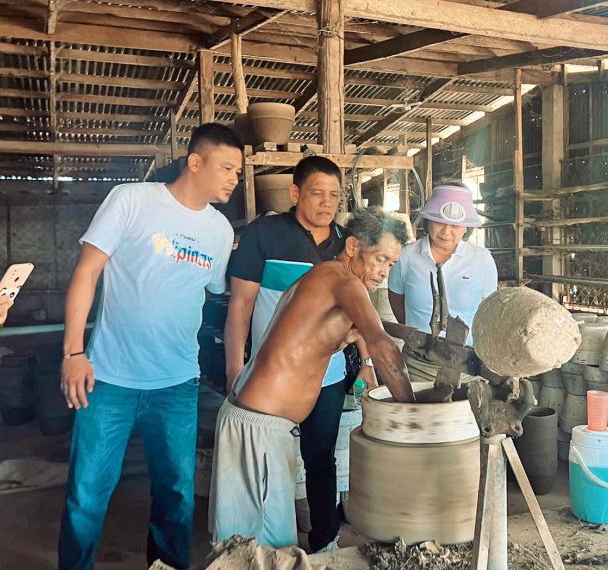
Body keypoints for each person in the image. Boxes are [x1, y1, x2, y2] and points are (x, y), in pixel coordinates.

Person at [58, 123, 242, 570]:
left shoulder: (219, 231)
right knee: (87, 495)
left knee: (177, 497)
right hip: (108, 379)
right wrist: (73, 352)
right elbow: (86, 272)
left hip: (177, 383)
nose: (235, 178)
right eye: (227, 168)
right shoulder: (131, 200)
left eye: (239, 170)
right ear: (195, 162)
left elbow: (216, 291)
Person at [210, 207, 415, 549]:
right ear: (352, 247)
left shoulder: (324, 278)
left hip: (259, 423)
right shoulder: (342, 281)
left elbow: (322, 339)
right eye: (381, 259)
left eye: (391, 264)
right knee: (257, 548)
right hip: (257, 426)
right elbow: (383, 347)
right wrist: (413, 417)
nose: (384, 272)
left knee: (257, 546)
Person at [224, 155, 372, 554]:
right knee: (272, 457)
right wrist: (235, 367)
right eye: (317, 193)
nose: (327, 203)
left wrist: (367, 363)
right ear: (295, 193)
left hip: (328, 373)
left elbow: (357, 312)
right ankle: (266, 544)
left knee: (321, 456)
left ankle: (325, 541)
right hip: (274, 376)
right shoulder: (265, 234)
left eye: (335, 196)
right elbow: (240, 304)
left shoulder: (347, 244)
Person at [388, 184, 498, 381]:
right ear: (428, 220)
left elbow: (489, 310)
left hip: (467, 363)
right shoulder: (406, 257)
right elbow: (396, 298)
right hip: (417, 363)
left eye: (455, 225)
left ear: (466, 227)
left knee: (463, 411)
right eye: (439, 222)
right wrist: (416, 333)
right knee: (418, 410)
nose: (447, 232)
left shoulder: (482, 259)